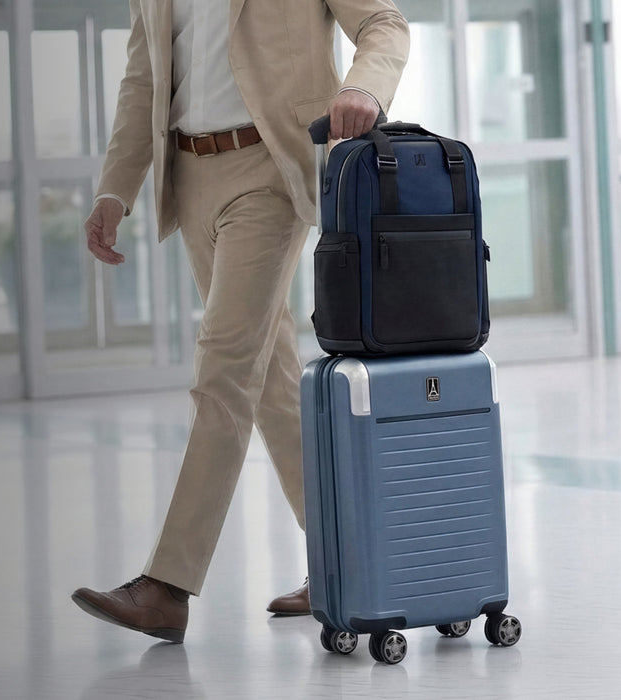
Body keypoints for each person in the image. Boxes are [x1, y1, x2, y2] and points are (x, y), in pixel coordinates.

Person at [69, 0, 409, 643]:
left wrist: (363, 86)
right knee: (271, 381)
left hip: (270, 168)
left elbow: (383, 22)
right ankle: (347, 562)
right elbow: (144, 78)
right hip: (191, 177)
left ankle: (167, 586)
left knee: (223, 368)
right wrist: (116, 188)